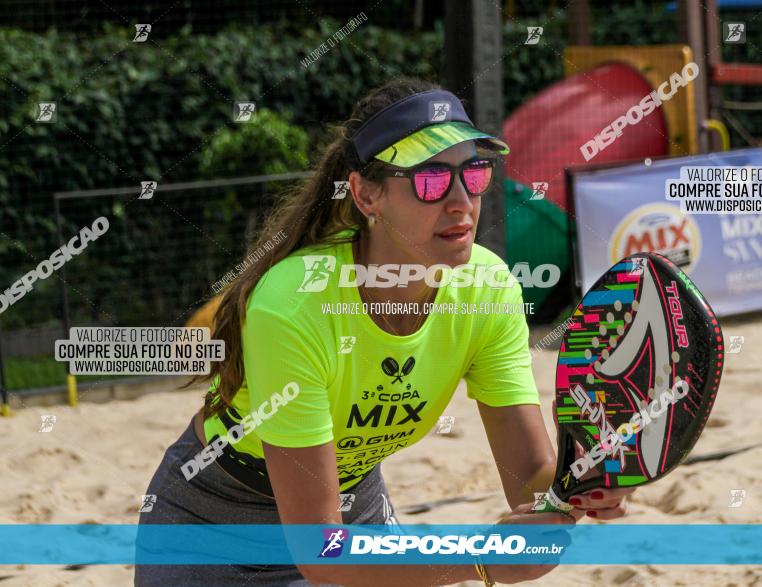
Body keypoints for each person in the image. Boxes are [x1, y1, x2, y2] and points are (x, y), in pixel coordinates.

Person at [135, 77, 635, 587]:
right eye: (431, 178)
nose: (462, 200)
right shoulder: (295, 306)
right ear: (366, 193)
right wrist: (481, 560)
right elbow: (321, 555)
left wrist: (580, 483)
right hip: (216, 522)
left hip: (354, 509)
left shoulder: (489, 288)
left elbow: (528, 484)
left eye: (475, 172)